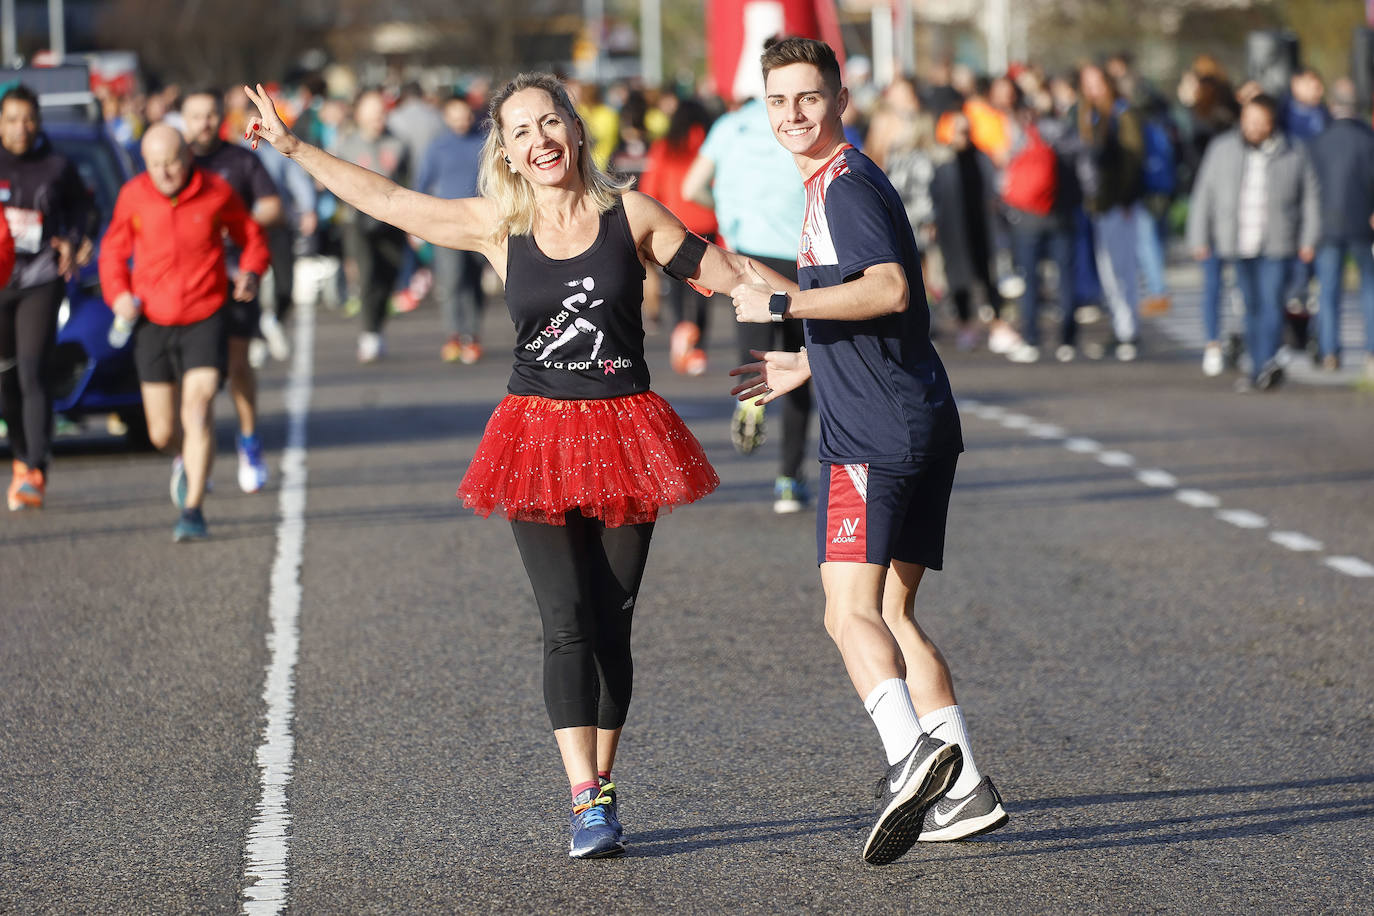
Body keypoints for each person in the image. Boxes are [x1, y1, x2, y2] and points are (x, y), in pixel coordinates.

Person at [243, 70, 796, 860]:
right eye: (520, 132)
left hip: (625, 433)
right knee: (565, 618)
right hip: (534, 438)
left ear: (574, 129)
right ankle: (586, 798)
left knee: (615, 619)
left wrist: (820, 319)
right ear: (504, 150)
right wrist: (296, 147)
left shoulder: (630, 214)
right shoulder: (498, 225)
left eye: (549, 124)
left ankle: (603, 780)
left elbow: (726, 273)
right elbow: (395, 204)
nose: (539, 142)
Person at [729, 37, 1006, 866]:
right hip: (919, 419)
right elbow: (895, 316)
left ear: (840, 99)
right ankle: (967, 790)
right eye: (778, 101)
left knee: (844, 613)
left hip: (871, 438)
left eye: (808, 98)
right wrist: (805, 357)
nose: (792, 115)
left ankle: (910, 756)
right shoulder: (837, 184)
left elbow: (886, 287)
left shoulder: (845, 186)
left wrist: (781, 298)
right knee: (889, 612)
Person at [99, 125, 269, 540]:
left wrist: (250, 271)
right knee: (160, 432)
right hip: (152, 321)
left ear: (188, 156)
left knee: (198, 409)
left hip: (205, 314)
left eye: (172, 162)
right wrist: (118, 294)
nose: (165, 173)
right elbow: (112, 253)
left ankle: (192, 510)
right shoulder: (133, 195)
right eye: (155, 165)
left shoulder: (215, 191)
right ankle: (183, 457)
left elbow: (250, 235)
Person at [683, 73, 814, 514]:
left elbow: (691, 188)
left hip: (749, 259)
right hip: (802, 256)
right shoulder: (807, 124)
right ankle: (789, 481)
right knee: (802, 367)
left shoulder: (729, 127)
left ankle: (753, 400)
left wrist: (728, 214)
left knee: (756, 357)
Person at [180, 88, 283, 494]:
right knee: (192, 378)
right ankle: (188, 452)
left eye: (209, 115)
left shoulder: (239, 159)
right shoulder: (174, 162)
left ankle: (248, 441)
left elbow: (273, 207)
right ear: (182, 120)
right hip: (188, 281)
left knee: (237, 366)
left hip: (236, 274)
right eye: (194, 116)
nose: (203, 123)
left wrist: (231, 221)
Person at [0, 83, 97, 511]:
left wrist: (76, 239)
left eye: (28, 119)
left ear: (38, 122)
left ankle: (36, 467)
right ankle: (22, 455)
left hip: (40, 276)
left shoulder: (56, 165)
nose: (21, 128)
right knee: (4, 378)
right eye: (11, 119)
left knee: (32, 370)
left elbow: (85, 211)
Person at [1186, 93, 1319, 391]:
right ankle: (1258, 366)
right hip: (1238, 241)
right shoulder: (1223, 149)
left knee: (1272, 303)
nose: (1254, 128)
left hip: (1277, 242)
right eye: (1249, 121)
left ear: (1272, 123)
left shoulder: (1294, 151)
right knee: (1250, 306)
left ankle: (1268, 362)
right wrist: (1199, 236)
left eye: (1260, 122)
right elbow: (1203, 194)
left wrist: (1309, 239)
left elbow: (1310, 199)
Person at [637, 96, 718, 376]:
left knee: (678, 288)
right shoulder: (707, 146)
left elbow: (650, 189)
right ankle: (698, 347)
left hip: (672, 227)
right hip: (706, 224)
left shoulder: (663, 147)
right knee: (706, 287)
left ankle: (681, 333)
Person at [334, 89, 409, 363]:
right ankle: (368, 334)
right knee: (367, 276)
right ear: (360, 115)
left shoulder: (398, 144)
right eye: (373, 113)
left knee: (389, 276)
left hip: (393, 222)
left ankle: (377, 327)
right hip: (358, 223)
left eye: (382, 112)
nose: (379, 118)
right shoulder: (347, 145)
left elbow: (408, 179)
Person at [1307, 78, 1374, 377]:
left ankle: (1330, 351)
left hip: (1328, 225)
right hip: (1362, 223)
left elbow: (1311, 187)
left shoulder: (1319, 141)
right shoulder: (1368, 140)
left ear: (1333, 106)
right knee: (1369, 290)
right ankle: (1372, 352)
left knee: (1328, 292)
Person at [1079, 63, 1145, 361]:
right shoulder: (1088, 116)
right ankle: (1120, 327)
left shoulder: (1122, 113)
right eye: (1087, 84)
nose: (1092, 90)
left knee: (1123, 270)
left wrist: (1127, 198)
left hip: (1120, 204)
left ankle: (1128, 331)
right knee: (1107, 271)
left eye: (1097, 83)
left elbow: (1134, 158)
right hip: (1098, 204)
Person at [416, 93, 488, 364]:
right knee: (451, 279)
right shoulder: (437, 147)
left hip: (481, 222)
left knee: (473, 281)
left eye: (466, 114)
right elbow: (422, 184)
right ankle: (453, 335)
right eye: (455, 115)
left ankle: (472, 335)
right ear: (446, 117)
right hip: (446, 223)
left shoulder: (484, 143)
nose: (462, 120)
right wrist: (417, 226)